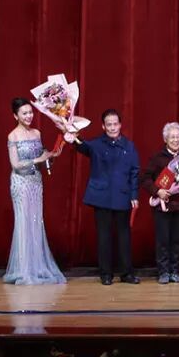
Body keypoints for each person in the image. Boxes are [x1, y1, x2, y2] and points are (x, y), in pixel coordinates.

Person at [68, 109, 140, 286]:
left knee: (124, 237)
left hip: (122, 196)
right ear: (103, 126)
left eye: (115, 124)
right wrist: (71, 134)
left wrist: (134, 195)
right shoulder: (96, 144)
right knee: (104, 237)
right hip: (101, 197)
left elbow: (134, 172)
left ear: (120, 125)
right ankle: (106, 274)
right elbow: (82, 145)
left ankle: (126, 273)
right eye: (109, 125)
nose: (113, 127)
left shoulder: (129, 146)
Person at [2, 98, 64, 285]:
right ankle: (23, 270)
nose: (29, 116)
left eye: (30, 112)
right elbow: (15, 164)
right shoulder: (13, 136)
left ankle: (36, 267)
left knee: (36, 223)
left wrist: (52, 155)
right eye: (24, 113)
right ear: (16, 116)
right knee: (24, 223)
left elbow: (43, 159)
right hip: (20, 183)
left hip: (36, 182)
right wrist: (38, 160)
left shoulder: (37, 133)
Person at [140, 122, 179, 284]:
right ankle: (163, 272)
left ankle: (174, 271)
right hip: (162, 207)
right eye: (172, 137)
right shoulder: (157, 158)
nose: (176, 140)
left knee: (177, 241)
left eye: (178, 137)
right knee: (163, 241)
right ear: (165, 139)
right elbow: (145, 178)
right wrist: (158, 191)